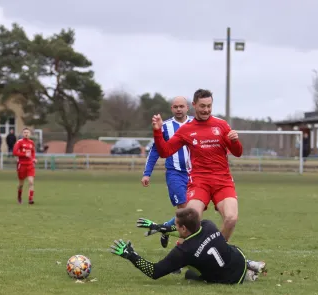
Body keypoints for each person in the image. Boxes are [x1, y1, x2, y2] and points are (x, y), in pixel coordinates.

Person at [142, 89, 243, 242]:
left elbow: (237, 152)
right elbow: (165, 151)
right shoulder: (187, 130)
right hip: (199, 182)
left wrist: (235, 141)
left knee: (231, 219)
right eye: (202, 106)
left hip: (222, 182)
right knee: (189, 223)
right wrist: (157, 132)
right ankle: (183, 252)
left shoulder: (221, 125)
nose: (206, 110)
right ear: (194, 105)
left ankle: (217, 250)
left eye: (209, 106)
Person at [111, 208, 266, 284]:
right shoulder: (208, 225)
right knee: (223, 246)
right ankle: (250, 265)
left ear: (184, 228)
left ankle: (248, 275)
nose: (175, 227)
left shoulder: (184, 251)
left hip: (228, 280)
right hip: (238, 258)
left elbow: (154, 271)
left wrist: (130, 254)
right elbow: (187, 232)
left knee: (189, 274)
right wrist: (159, 227)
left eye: (176, 225)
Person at [141, 96, 193, 248]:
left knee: (192, 213)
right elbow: (155, 150)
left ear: (187, 108)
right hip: (174, 174)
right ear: (171, 108)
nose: (178, 109)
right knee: (186, 212)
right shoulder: (165, 127)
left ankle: (164, 228)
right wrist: (147, 173)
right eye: (175, 106)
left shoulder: (195, 124)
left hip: (195, 174)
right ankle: (181, 251)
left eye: (181, 106)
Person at [13, 127, 37, 204]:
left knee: (31, 182)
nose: (26, 134)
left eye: (27, 132)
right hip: (21, 165)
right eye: (25, 132)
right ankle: (19, 197)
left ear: (30, 134)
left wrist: (33, 159)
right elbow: (14, 152)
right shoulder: (19, 142)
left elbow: (32, 152)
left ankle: (30, 199)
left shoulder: (31, 142)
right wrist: (24, 154)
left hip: (30, 165)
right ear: (22, 134)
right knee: (21, 184)